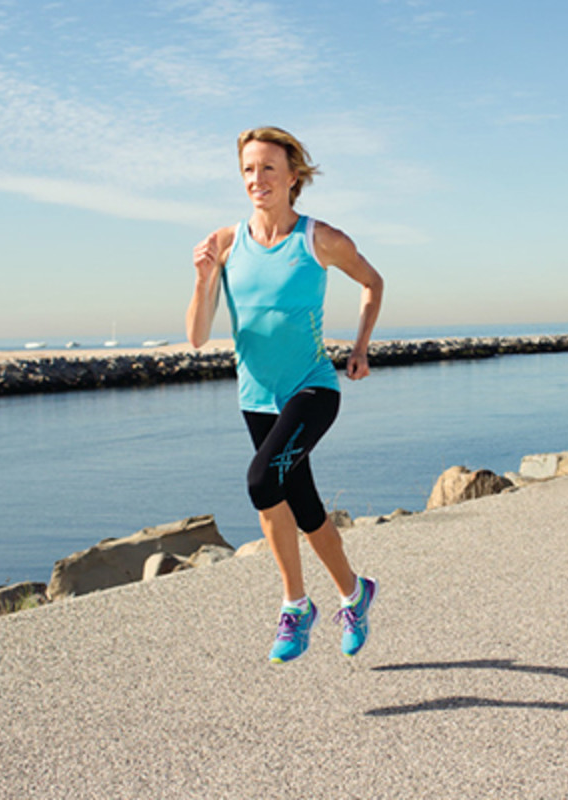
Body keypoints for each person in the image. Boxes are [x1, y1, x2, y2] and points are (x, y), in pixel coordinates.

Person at [186, 126, 385, 664]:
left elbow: (373, 283)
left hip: (312, 389)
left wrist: (361, 347)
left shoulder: (319, 238)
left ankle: (295, 607)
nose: (257, 179)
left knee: (260, 480)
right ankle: (354, 593)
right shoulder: (226, 243)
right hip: (256, 397)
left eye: (268, 168)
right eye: (249, 169)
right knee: (303, 507)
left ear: (293, 176)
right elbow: (199, 335)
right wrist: (205, 279)